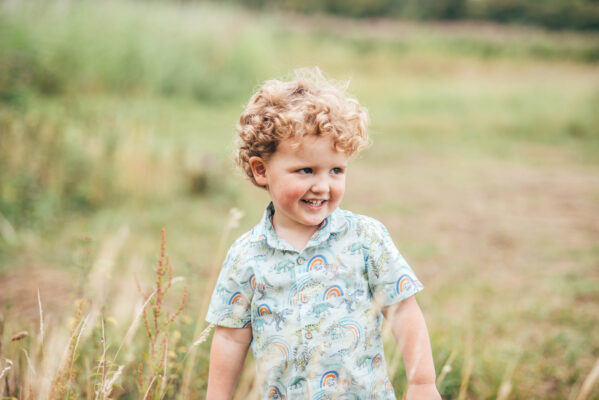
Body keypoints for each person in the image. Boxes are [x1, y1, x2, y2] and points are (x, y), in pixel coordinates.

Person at [206, 68, 441, 400]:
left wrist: (422, 384)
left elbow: (403, 310)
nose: (322, 186)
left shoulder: (365, 239)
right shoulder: (246, 255)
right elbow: (230, 337)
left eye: (336, 170)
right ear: (262, 170)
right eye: (305, 170)